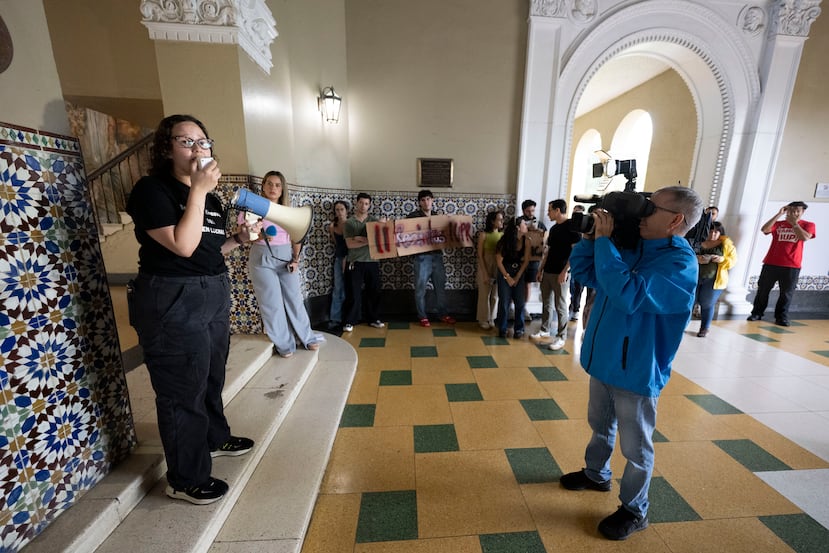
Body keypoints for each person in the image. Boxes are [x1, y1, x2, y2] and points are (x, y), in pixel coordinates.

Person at [126, 114, 259, 505]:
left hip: (212, 291)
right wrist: (198, 191)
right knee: (182, 388)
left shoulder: (212, 200)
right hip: (172, 298)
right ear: (166, 148)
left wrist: (238, 238)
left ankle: (215, 437)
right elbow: (182, 246)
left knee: (211, 373)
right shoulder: (152, 191)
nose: (199, 150)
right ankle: (185, 478)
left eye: (204, 142)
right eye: (187, 142)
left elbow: (207, 250)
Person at [561, 186, 703, 541]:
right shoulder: (633, 246)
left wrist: (608, 245)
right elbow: (587, 274)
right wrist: (592, 239)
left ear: (675, 220)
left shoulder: (680, 264)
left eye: (651, 208)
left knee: (636, 448)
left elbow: (628, 293)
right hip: (604, 360)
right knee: (599, 425)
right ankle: (596, 474)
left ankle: (635, 510)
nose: (641, 213)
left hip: (636, 370)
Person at [241, 171, 321, 358]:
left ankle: (307, 337)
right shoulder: (252, 209)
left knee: (294, 299)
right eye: (269, 184)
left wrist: (296, 259)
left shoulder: (289, 210)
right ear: (263, 186)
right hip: (261, 257)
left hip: (286, 256)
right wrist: (260, 235)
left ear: (282, 188)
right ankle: (284, 343)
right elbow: (246, 236)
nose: (273, 188)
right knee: (272, 302)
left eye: (277, 185)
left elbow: (297, 235)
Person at [747, 201, 815, 326]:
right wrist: (779, 214)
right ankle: (757, 313)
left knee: (786, 293)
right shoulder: (778, 224)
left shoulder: (808, 225)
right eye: (791, 210)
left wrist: (794, 223)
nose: (794, 212)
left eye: (797, 210)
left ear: (802, 212)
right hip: (771, 263)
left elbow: (804, 237)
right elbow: (764, 229)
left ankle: (781, 317)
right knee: (763, 290)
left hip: (792, 265)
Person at [532, 200, 581, 350]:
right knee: (546, 302)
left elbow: (575, 252)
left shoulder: (572, 228)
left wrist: (565, 271)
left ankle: (561, 337)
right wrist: (540, 269)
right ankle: (545, 330)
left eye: (550, 210)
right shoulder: (553, 229)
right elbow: (548, 251)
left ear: (558, 210)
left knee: (560, 305)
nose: (548, 213)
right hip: (548, 271)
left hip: (561, 272)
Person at [406, 189, 456, 327]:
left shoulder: (438, 218)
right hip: (421, 257)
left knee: (440, 287)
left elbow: (445, 236)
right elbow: (404, 234)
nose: (426, 202)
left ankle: (443, 314)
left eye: (428, 199)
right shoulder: (412, 217)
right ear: (419, 202)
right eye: (423, 200)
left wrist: (450, 223)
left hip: (437, 256)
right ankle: (422, 316)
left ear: (432, 200)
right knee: (420, 288)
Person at [343, 192, 385, 332]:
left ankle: (373, 319)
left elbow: (381, 239)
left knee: (374, 291)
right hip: (355, 262)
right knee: (353, 292)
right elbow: (350, 244)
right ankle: (349, 321)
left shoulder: (374, 221)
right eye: (361, 203)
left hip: (372, 261)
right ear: (356, 203)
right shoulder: (349, 223)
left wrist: (361, 239)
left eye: (366, 203)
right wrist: (368, 241)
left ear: (370, 205)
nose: (363, 206)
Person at [694, 221, 737, 337]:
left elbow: (733, 261)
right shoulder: (697, 241)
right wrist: (696, 258)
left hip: (713, 280)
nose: (713, 234)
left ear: (720, 233)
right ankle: (681, 326)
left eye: (716, 232)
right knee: (690, 302)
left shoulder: (726, 245)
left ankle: (704, 328)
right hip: (694, 277)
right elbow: (687, 254)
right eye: (710, 231)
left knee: (707, 304)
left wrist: (722, 259)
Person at [495, 217, 531, 339]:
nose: (526, 226)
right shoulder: (504, 241)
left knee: (520, 302)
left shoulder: (527, 241)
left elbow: (526, 261)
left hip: (518, 271)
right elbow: (499, 261)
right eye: (524, 224)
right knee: (504, 301)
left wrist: (517, 277)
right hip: (505, 270)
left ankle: (519, 329)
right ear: (517, 227)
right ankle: (502, 328)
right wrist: (508, 277)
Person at [476, 209, 504, 329]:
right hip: (486, 263)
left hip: (499, 264)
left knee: (495, 294)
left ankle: (492, 317)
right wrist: (484, 272)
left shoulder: (502, 235)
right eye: (499, 219)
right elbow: (480, 255)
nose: (502, 221)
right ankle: (483, 318)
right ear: (492, 221)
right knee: (484, 293)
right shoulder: (483, 234)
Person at [519, 199, 547, 317]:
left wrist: (538, 231)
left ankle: (524, 307)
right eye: (528, 211)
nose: (531, 213)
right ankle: (512, 307)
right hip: (519, 257)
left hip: (534, 258)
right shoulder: (518, 221)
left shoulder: (539, 223)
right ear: (523, 210)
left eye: (533, 210)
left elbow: (545, 237)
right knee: (515, 283)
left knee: (528, 283)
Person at [328, 200, 350, 329]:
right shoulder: (332, 226)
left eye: (342, 209)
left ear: (346, 210)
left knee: (350, 288)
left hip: (351, 258)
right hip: (339, 258)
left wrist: (347, 259)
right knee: (338, 288)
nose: (340, 212)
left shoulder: (351, 224)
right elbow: (337, 243)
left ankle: (349, 317)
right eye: (337, 210)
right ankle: (335, 317)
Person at [569, 205, 586, 321]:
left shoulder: (585, 232)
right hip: (571, 262)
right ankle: (573, 304)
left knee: (579, 287)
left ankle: (576, 309)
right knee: (572, 287)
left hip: (582, 264)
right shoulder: (570, 228)